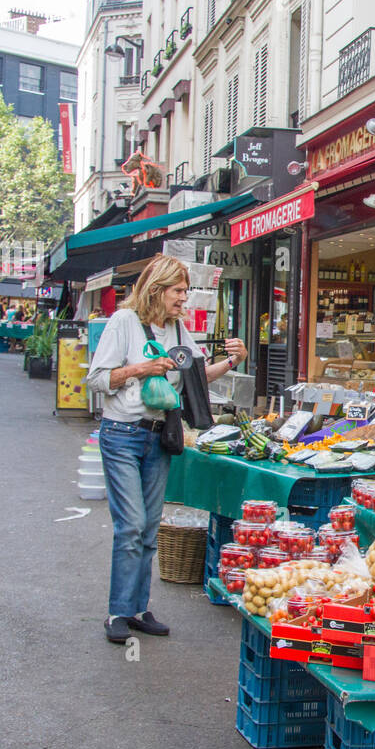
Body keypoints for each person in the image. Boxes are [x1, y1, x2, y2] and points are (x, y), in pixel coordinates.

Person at [86, 255, 248, 644]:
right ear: (157, 289)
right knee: (130, 525)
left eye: (186, 291)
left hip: (159, 436)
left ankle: (138, 609)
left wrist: (231, 361)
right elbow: (96, 379)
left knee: (148, 528)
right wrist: (142, 369)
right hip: (122, 434)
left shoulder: (177, 330)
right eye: (178, 291)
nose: (184, 299)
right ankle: (117, 613)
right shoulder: (124, 323)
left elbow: (194, 374)